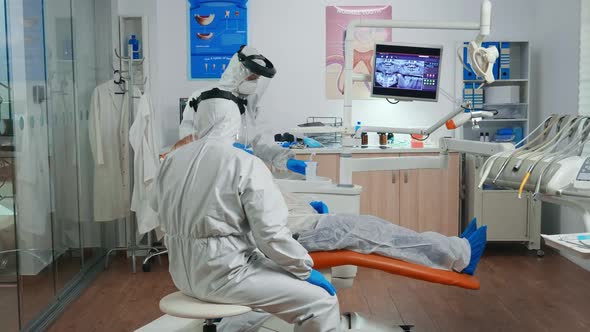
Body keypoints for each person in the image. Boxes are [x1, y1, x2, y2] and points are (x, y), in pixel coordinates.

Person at [151, 46, 341, 332]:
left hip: (182, 271)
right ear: (233, 121)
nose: (254, 81)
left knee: (262, 283)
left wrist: (284, 159)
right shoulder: (243, 162)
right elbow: (272, 235)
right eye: (251, 75)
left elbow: (158, 206)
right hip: (227, 273)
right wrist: (305, 268)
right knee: (321, 301)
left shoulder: (170, 162)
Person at [179, 46, 307, 175]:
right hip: (211, 175)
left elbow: (261, 142)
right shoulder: (206, 99)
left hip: (241, 173)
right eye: (251, 78)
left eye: (257, 79)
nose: (255, 83)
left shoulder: (249, 103)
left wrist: (284, 159)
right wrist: (227, 150)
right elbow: (189, 143)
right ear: (238, 73)